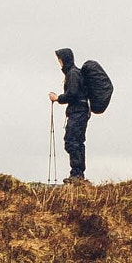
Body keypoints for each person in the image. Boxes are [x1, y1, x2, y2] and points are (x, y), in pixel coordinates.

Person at [49, 47, 90, 182]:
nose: (59, 63)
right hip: (80, 111)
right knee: (77, 141)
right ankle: (78, 174)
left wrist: (57, 98)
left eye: (60, 60)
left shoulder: (72, 74)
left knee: (72, 141)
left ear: (64, 60)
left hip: (77, 112)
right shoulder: (74, 73)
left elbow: (72, 94)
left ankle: (77, 174)